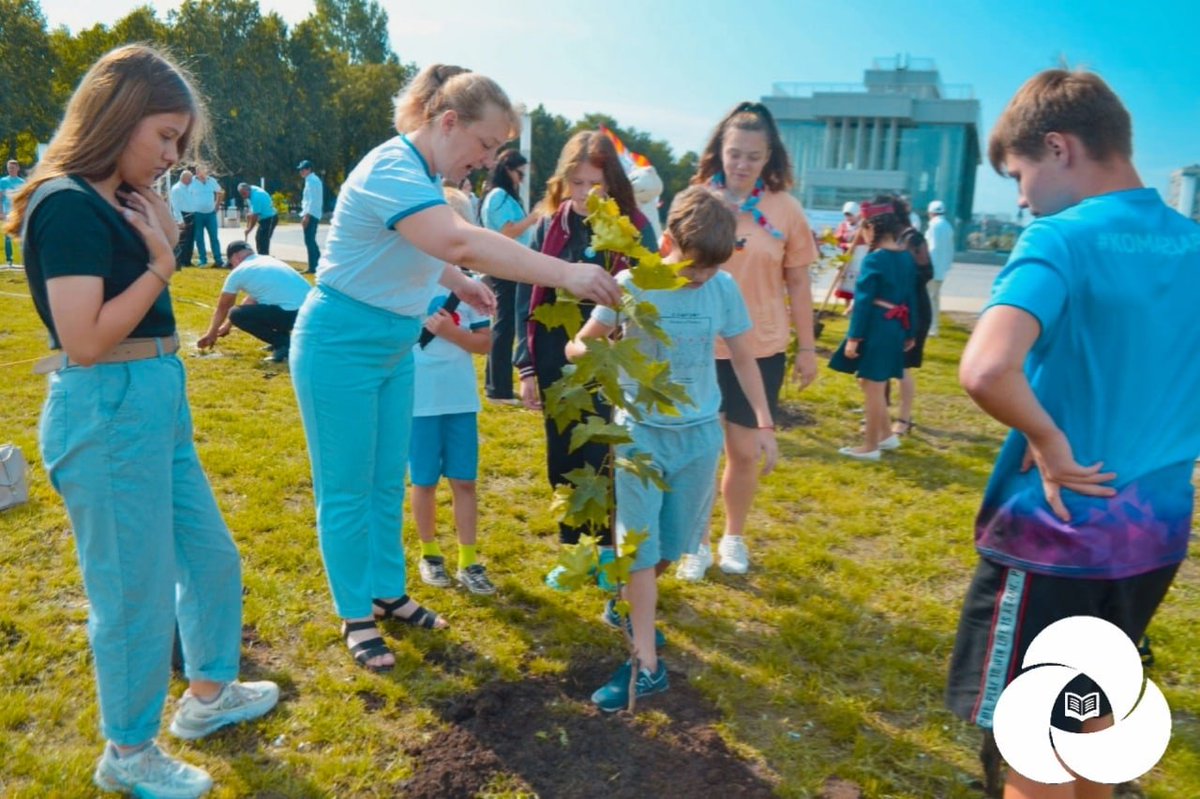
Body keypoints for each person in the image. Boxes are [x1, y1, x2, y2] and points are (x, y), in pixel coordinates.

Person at [4, 44, 278, 799]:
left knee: (212, 558)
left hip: (153, 393)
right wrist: (162, 261)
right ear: (118, 115)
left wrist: (160, 243)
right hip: (108, 402)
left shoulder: (117, 198)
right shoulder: (65, 203)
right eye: (164, 136)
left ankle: (209, 695)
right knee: (134, 596)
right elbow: (84, 339)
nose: (170, 157)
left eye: (179, 144)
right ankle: (127, 750)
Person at [288, 63, 620, 673]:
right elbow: (457, 239)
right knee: (347, 489)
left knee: (389, 478)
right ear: (447, 123)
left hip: (391, 346)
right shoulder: (392, 166)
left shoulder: (422, 174)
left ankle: (388, 592)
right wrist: (566, 273)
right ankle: (355, 613)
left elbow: (416, 246)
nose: (488, 160)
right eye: (486, 145)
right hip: (340, 342)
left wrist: (459, 284)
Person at [944, 69, 1200, 799]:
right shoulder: (1194, 243)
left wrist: (1051, 444)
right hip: (1154, 535)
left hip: (1055, 538)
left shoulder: (1061, 238)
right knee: (1092, 713)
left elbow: (987, 368)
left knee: (1035, 748)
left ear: (1058, 148)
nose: (1020, 198)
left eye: (1020, 174)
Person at [566, 186, 779, 711]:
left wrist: (765, 424)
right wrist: (598, 343)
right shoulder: (631, 285)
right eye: (691, 269)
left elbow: (745, 358)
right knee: (639, 549)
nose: (699, 279)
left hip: (700, 436)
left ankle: (627, 601)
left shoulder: (722, 288)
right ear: (665, 243)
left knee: (667, 548)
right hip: (640, 433)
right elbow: (579, 345)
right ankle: (646, 664)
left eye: (708, 271)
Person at [675, 101, 819, 582]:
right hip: (697, 344)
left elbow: (798, 283)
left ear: (768, 158)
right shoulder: (695, 199)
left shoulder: (786, 210)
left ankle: (732, 535)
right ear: (719, 150)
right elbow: (666, 269)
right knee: (699, 450)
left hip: (759, 348)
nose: (741, 164)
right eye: (734, 153)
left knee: (743, 451)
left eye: (753, 157)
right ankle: (693, 540)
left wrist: (806, 348)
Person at [515, 130, 657, 590]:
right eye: (576, 183)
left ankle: (610, 557)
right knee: (566, 458)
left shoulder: (634, 227)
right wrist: (528, 367)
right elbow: (526, 299)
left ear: (613, 184)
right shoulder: (548, 227)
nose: (585, 194)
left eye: (595, 184)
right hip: (559, 364)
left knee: (610, 461)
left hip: (611, 367)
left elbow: (649, 296)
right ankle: (576, 550)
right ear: (563, 181)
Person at [410, 193, 495, 595]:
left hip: (460, 401)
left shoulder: (471, 288)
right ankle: (429, 554)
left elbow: (485, 344)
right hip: (418, 403)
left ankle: (469, 559)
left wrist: (451, 332)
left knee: (464, 481)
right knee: (423, 482)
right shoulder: (405, 280)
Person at [827, 197, 920, 460]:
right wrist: (910, 332)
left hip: (878, 327)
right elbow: (911, 298)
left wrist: (854, 337)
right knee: (869, 382)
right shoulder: (905, 258)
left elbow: (864, 301)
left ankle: (870, 446)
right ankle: (886, 437)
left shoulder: (874, 260)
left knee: (873, 386)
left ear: (872, 227)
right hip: (896, 326)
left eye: (864, 229)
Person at [480, 149, 539, 404]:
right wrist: (533, 218)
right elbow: (507, 231)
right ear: (508, 170)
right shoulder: (500, 196)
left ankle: (496, 385)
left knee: (503, 326)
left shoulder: (499, 196)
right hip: (504, 265)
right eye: (520, 174)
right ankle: (499, 390)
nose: (522, 180)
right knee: (505, 326)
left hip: (504, 264)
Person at [196, 240, 312, 363]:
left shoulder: (239, 272)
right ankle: (280, 339)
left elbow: (223, 308)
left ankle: (283, 344)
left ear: (235, 257)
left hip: (293, 314)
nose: (232, 267)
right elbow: (252, 300)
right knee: (271, 304)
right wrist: (227, 325)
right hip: (312, 311)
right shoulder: (267, 260)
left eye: (231, 264)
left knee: (236, 313)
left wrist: (211, 334)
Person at [889, 199, 934, 438]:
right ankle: (878, 410)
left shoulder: (912, 239)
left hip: (912, 308)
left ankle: (904, 419)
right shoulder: (890, 239)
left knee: (901, 366)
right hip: (891, 307)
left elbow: (927, 272)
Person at [925, 199, 954, 336]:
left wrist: (926, 265)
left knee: (929, 299)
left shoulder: (934, 226)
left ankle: (931, 328)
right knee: (934, 299)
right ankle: (934, 327)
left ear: (931, 212)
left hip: (932, 269)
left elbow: (932, 248)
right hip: (942, 269)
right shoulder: (947, 226)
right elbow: (950, 250)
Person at [192, 164, 224, 267]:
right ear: (196, 173)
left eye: (203, 171)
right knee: (199, 238)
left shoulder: (212, 181)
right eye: (198, 172)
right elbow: (187, 195)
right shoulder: (192, 182)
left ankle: (218, 260)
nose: (201, 174)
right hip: (197, 214)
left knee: (214, 237)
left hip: (211, 214)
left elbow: (220, 192)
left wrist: (217, 206)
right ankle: (203, 260)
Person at [297, 159, 323, 273]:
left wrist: (306, 216)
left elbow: (312, 200)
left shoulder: (312, 181)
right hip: (312, 214)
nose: (301, 172)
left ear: (309, 169)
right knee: (311, 240)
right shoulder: (311, 180)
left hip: (311, 214)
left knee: (309, 241)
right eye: (300, 170)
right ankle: (318, 263)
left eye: (303, 169)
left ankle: (313, 267)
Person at [238, 181, 278, 255]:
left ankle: (264, 258)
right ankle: (262, 256)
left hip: (270, 218)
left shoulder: (256, 196)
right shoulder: (250, 192)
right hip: (264, 218)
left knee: (263, 240)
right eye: (241, 194)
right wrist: (250, 214)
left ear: (248, 190)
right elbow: (253, 212)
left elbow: (255, 216)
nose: (243, 196)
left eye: (244, 194)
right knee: (259, 238)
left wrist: (249, 229)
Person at [169, 168, 197, 267]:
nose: (191, 180)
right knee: (183, 240)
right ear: (184, 178)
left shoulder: (189, 187)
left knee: (191, 239)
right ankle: (180, 260)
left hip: (192, 214)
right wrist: (180, 220)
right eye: (189, 179)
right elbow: (175, 206)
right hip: (183, 215)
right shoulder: (176, 189)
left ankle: (187, 260)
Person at [1, 159, 26, 267]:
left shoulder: (22, 182)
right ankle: (9, 260)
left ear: (17, 168)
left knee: (22, 236)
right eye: (9, 168)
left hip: (18, 212)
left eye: (13, 167)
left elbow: (24, 199)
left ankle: (25, 260)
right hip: (7, 212)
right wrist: (1, 212)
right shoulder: (3, 181)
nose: (11, 170)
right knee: (8, 237)